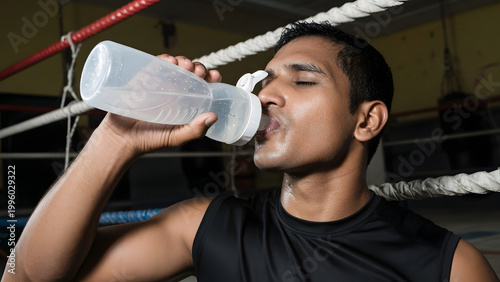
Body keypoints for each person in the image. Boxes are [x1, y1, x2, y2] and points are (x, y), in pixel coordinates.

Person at [4, 22, 498, 282]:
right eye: (266, 80)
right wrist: (117, 138)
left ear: (366, 120)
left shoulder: (450, 267)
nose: (265, 95)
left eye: (303, 80)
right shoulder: (207, 226)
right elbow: (28, 277)